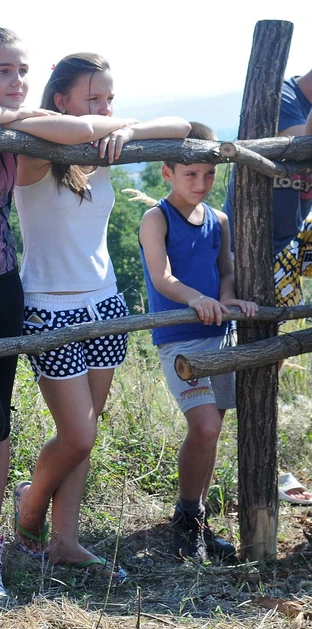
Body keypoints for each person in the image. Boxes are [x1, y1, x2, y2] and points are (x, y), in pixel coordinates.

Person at [0, 27, 128, 603]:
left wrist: (116, 126)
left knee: (0, 421)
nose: (16, 80)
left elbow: (86, 129)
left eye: (21, 71)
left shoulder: (20, 135)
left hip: (3, 287)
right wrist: (13, 119)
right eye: (3, 70)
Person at [12, 53, 189, 579]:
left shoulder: (101, 150)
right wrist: (104, 128)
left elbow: (181, 126)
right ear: (61, 100)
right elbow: (51, 132)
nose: (107, 108)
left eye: (111, 98)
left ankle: (66, 541)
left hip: (105, 301)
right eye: (95, 99)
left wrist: (118, 127)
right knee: (78, 435)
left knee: (86, 429)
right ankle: (29, 505)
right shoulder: (32, 152)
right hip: (50, 305)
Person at [140, 122, 256, 562]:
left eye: (209, 174)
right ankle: (187, 520)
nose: (201, 184)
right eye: (190, 175)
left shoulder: (219, 219)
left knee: (212, 431)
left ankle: (199, 520)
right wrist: (197, 300)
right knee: (204, 426)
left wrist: (225, 299)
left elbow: (225, 270)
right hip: (180, 340)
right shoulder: (157, 217)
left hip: (219, 335)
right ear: (167, 172)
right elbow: (162, 277)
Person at [222, 69, 312, 505]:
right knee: (245, 359)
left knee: (267, 360)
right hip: (247, 246)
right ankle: (252, 469)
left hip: (287, 245)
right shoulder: (284, 95)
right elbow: (300, 141)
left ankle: (264, 464)